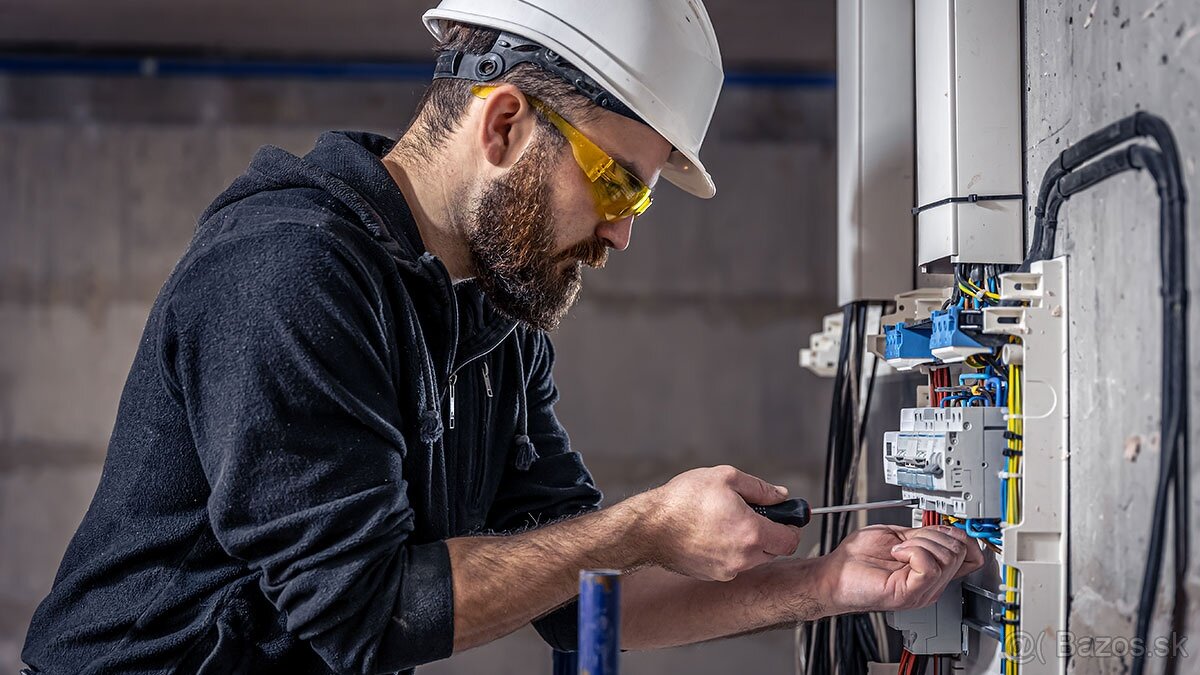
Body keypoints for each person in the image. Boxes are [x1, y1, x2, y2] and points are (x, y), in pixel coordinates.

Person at [22, 1, 983, 673]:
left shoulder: (493, 320)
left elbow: (578, 597)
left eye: (641, 197)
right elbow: (367, 611)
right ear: (507, 123)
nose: (622, 232)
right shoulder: (289, 272)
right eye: (618, 184)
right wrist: (646, 522)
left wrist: (824, 583)